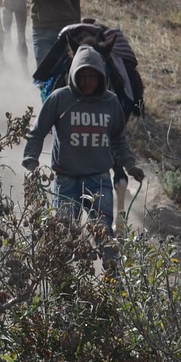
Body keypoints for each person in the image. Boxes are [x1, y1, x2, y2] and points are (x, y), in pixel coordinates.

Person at [22, 44, 146, 270]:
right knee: (63, 235)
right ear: (74, 74)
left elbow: (118, 138)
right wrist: (31, 159)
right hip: (66, 180)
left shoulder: (110, 102)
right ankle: (63, 286)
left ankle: (112, 282)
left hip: (99, 180)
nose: (88, 82)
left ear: (101, 77)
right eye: (83, 76)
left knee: (104, 233)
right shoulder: (60, 99)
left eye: (93, 77)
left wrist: (129, 165)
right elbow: (38, 131)